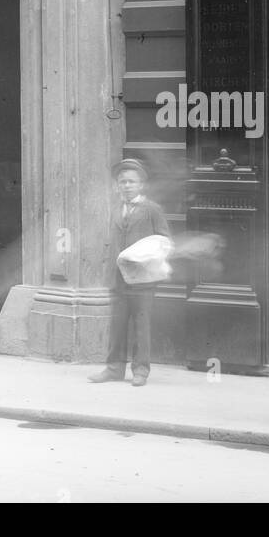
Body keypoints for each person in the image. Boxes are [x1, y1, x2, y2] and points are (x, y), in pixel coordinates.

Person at [90, 159, 171, 387]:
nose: (126, 186)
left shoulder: (152, 210)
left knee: (141, 326)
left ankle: (141, 371)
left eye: (131, 182)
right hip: (118, 279)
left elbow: (163, 240)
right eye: (122, 182)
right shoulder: (116, 209)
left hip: (142, 280)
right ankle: (114, 369)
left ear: (141, 185)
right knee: (117, 325)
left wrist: (146, 258)